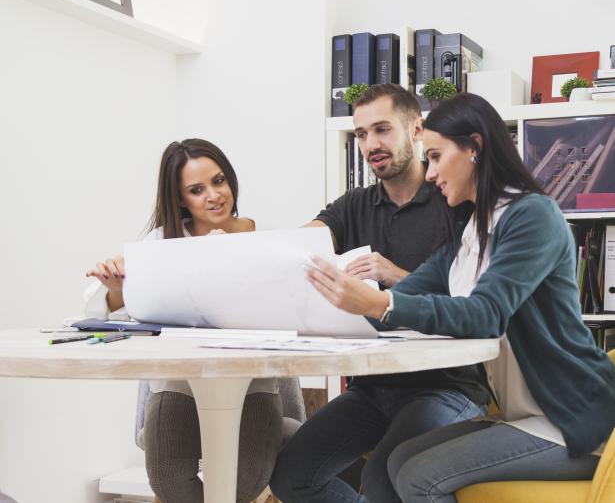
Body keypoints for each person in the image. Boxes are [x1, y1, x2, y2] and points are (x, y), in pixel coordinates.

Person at [303, 92, 615, 503]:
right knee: (393, 466)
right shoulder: (470, 231)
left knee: (417, 476)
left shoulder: (532, 215)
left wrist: (379, 303)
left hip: (574, 420)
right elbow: (405, 297)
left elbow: (486, 314)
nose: (429, 174)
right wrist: (345, 297)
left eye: (434, 156)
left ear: (474, 148)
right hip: (525, 416)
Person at [270, 84, 490, 503]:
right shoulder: (354, 205)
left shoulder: (454, 199)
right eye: (361, 134)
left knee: (383, 479)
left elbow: (473, 304)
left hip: (448, 386)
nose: (371, 144)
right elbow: (295, 248)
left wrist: (393, 275)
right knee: (291, 477)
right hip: (372, 389)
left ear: (418, 130)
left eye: (383, 129)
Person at [84, 138, 285, 503]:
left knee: (245, 485)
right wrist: (116, 290)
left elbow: (287, 308)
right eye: (197, 189)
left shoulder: (266, 236)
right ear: (180, 199)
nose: (214, 195)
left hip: (252, 382)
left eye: (219, 181)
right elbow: (115, 315)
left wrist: (229, 260)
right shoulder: (162, 243)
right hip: (179, 382)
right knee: (169, 482)